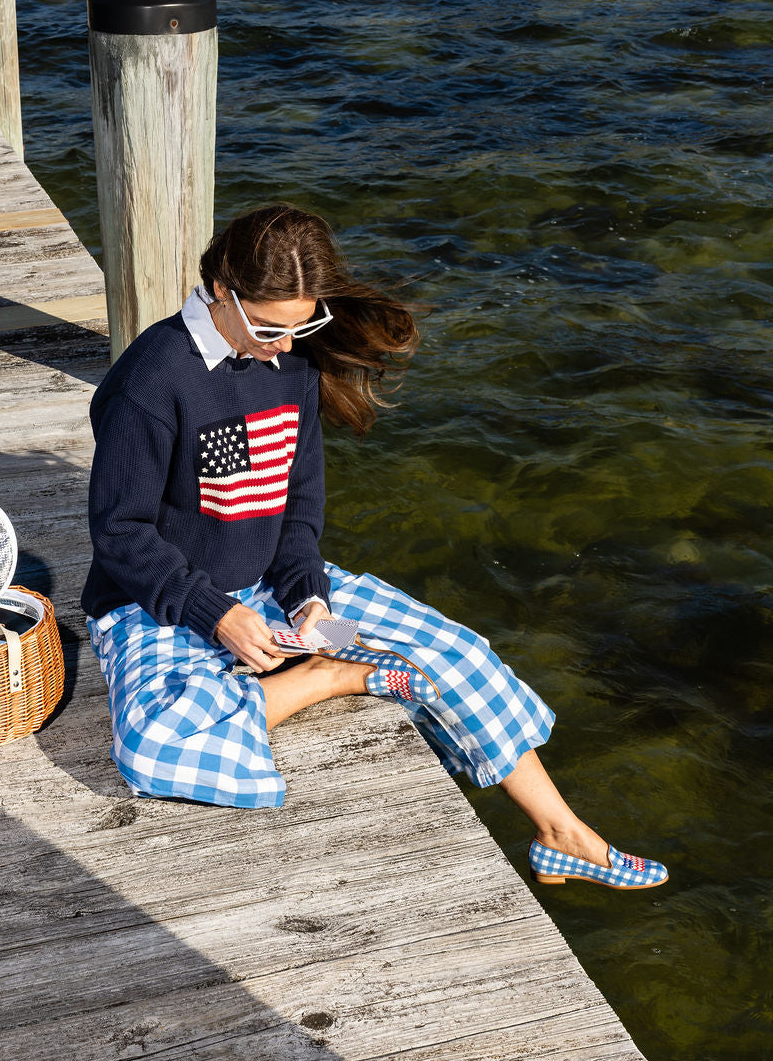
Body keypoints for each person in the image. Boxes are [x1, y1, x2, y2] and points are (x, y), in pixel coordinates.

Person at [82, 206, 667, 892]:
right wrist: (217, 615)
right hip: (159, 601)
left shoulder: (293, 363)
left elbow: (299, 510)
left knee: (460, 656)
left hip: (274, 589)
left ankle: (562, 833)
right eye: (270, 327)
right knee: (153, 744)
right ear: (219, 291)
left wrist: (308, 596)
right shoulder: (152, 381)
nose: (284, 344)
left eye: (304, 324)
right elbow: (119, 532)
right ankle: (328, 677)